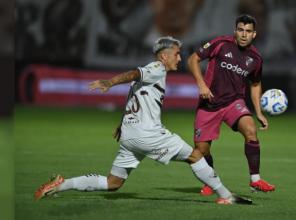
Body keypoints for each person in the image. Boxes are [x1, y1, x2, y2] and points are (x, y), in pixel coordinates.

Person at [34, 36, 251, 205]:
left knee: (113, 183)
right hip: (148, 134)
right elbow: (132, 73)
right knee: (195, 155)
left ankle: (61, 185)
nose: (178, 58)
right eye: (176, 54)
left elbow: (133, 96)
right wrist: (109, 82)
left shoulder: (152, 74)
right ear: (163, 57)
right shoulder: (156, 68)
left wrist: (122, 124)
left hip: (130, 136)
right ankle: (226, 196)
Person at [187, 14, 275, 196]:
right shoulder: (221, 43)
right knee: (201, 150)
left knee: (251, 131)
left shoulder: (256, 59)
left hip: (234, 102)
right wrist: (202, 84)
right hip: (209, 104)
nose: (244, 34)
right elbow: (192, 59)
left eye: (248, 31)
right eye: (241, 30)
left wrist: (258, 112)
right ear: (235, 31)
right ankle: (210, 181)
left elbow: (256, 84)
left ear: (254, 34)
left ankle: (255, 180)